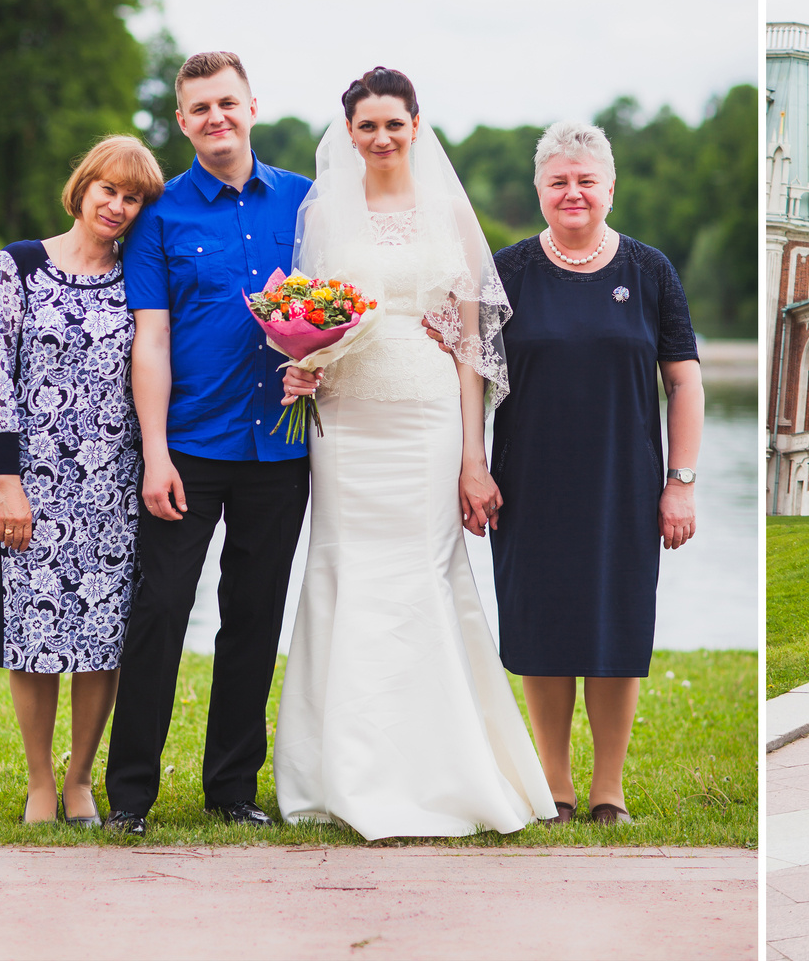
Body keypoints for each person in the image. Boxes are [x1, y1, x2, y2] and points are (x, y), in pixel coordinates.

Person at [267, 68, 556, 839]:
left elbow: (472, 347)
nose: (382, 138)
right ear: (351, 133)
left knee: (426, 576)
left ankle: (445, 770)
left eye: (394, 124)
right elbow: (311, 311)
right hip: (348, 419)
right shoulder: (325, 212)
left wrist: (473, 456)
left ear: (417, 125)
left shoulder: (450, 215)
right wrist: (302, 363)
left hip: (428, 417)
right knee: (345, 573)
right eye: (367, 126)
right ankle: (340, 773)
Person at [108, 52, 315, 836]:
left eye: (226, 102)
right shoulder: (159, 216)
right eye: (199, 109)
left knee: (254, 618)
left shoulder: (305, 203)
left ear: (252, 105)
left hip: (280, 450)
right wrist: (154, 453)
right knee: (158, 612)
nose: (215, 118)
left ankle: (231, 788)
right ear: (182, 122)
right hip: (189, 449)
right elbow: (151, 341)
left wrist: (319, 369)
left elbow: (337, 313)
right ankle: (130, 796)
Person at [477, 121, 703, 824]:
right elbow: (468, 375)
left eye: (585, 180)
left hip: (625, 483)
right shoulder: (506, 272)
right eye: (558, 182)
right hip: (529, 479)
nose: (572, 192)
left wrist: (681, 481)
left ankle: (609, 789)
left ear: (609, 187)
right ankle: (555, 786)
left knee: (615, 632)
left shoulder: (649, 271)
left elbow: (685, 383)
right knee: (542, 630)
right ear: (541, 191)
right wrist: (473, 469)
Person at [0, 136, 164, 825]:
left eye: (132, 197)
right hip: (33, 483)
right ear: (83, 188)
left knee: (100, 636)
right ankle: (39, 784)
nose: (117, 205)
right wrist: (5, 484)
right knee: (34, 633)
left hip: (113, 486)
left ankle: (80, 779)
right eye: (108, 190)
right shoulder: (19, 266)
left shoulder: (140, 278)